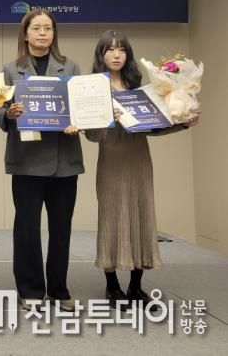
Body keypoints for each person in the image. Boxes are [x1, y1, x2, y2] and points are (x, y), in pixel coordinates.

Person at [85, 30, 200, 310]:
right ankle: (112, 286)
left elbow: (153, 127)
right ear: (101, 55)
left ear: (128, 54)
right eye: (110, 49)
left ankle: (136, 286)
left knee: (142, 215)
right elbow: (91, 136)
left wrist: (183, 123)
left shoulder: (140, 87)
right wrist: (106, 119)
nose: (116, 55)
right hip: (111, 160)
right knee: (111, 217)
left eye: (121, 49)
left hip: (139, 159)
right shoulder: (92, 88)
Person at [0, 8, 83, 312]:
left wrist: (77, 121)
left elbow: (80, 106)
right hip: (26, 160)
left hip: (64, 160)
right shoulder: (10, 69)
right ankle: (30, 289)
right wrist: (9, 113)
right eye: (36, 28)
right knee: (27, 228)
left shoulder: (71, 67)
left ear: (54, 34)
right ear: (25, 34)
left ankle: (59, 289)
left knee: (61, 227)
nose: (42, 33)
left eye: (48, 28)